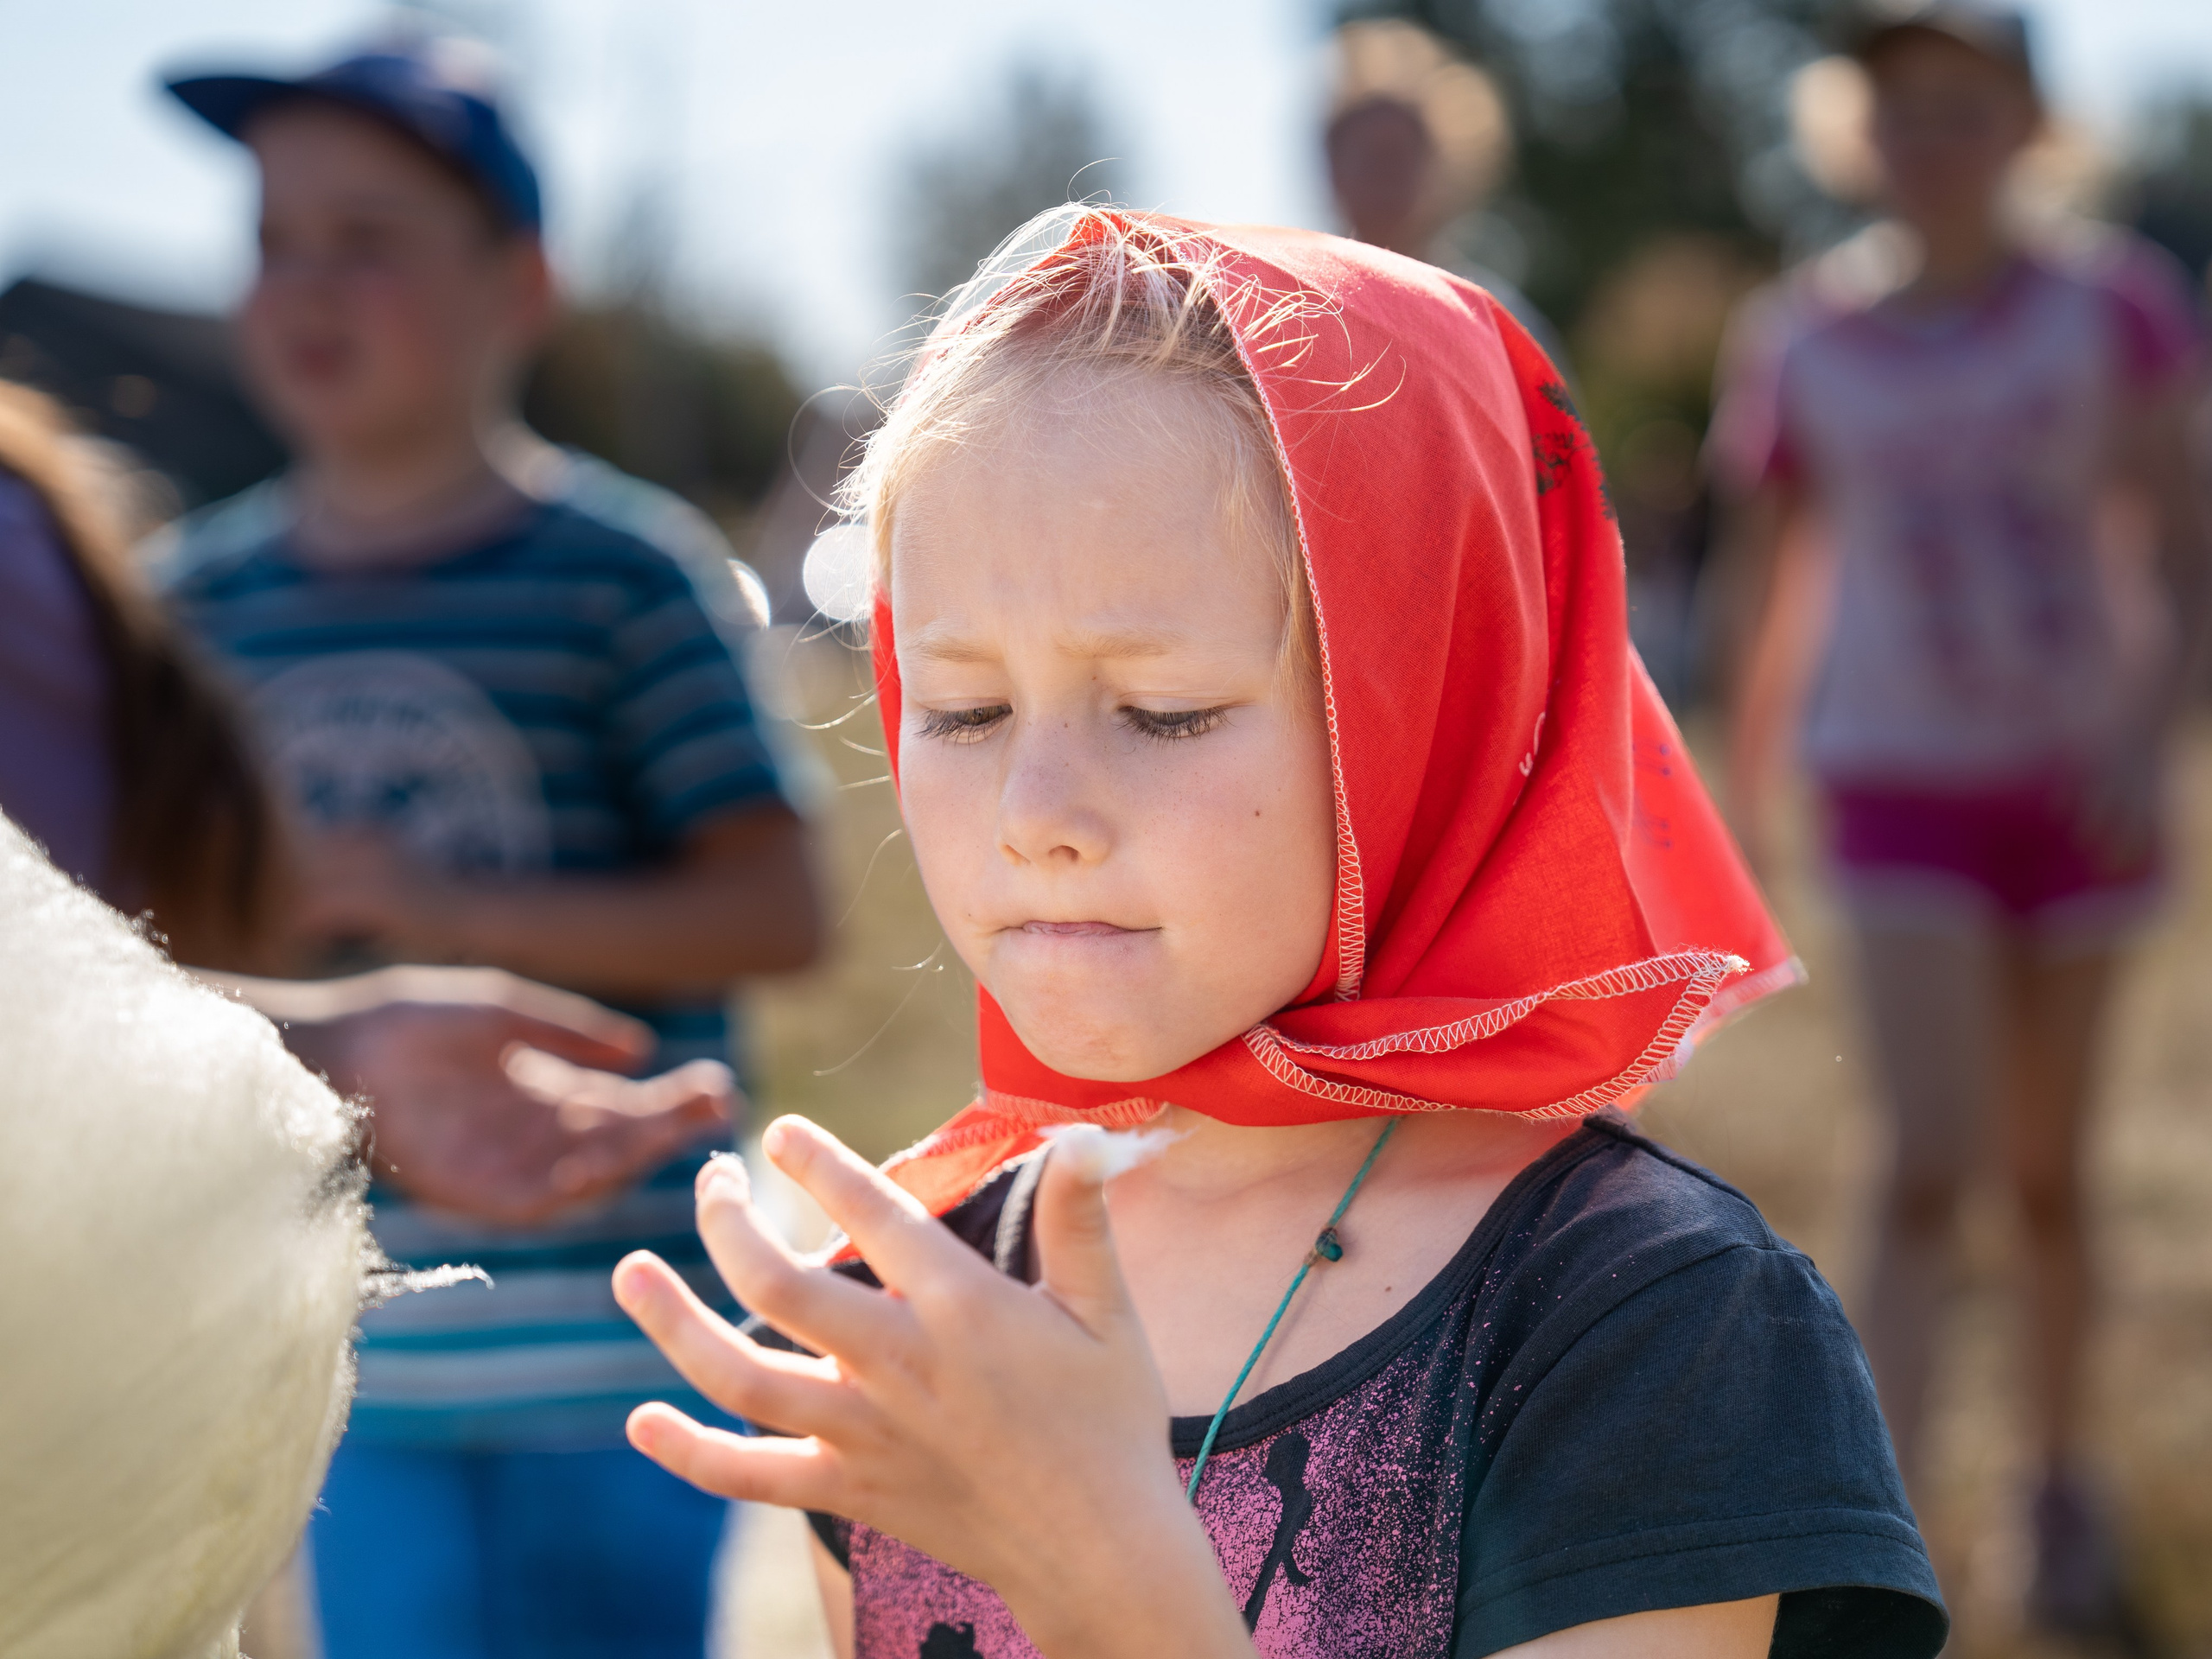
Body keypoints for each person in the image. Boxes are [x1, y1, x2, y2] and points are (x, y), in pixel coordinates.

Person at [610, 207, 1947, 1657]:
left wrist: (1107, 1577)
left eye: (1164, 711)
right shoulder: (919, 1320)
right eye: (964, 710)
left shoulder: (1650, 1332)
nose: (1037, 810)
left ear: (1430, 710)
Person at [156, 40, 821, 1656]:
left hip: (616, 1360)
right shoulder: (180, 610)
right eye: (274, 244)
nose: (308, 284)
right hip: (332, 1362)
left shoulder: (623, 576)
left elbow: (781, 901)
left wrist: (438, 903)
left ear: (517, 284)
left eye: (368, 239)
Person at [1707, 3, 2209, 1634]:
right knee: (1930, 1161)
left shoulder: (2113, 310)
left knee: (2052, 1179)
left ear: (2026, 124)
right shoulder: (1806, 341)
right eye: (1900, 107)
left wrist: (2146, 737)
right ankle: (1873, 1537)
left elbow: (2186, 541)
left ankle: (2059, 1490)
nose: (1933, 137)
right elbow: (1770, 578)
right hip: (1897, 785)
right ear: (1861, 131)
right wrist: (1745, 782)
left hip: (2079, 789)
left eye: (1964, 105)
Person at [1324, 19, 1570, 374]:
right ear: (1331, 165)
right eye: (1366, 157)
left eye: (1399, 157)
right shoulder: (1299, 312)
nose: (1383, 179)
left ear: (1439, 165)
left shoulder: (1498, 325)